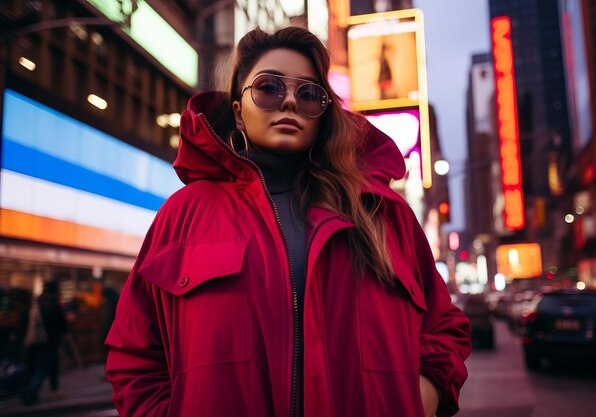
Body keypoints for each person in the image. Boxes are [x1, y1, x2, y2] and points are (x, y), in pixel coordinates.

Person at [105, 25, 471, 417]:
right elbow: (134, 355)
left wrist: (424, 394)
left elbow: (444, 325)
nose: (291, 102)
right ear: (237, 112)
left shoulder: (382, 213)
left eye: (309, 93)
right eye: (269, 87)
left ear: (324, 114)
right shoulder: (182, 215)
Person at [21, 281, 68, 404]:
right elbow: (62, 324)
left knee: (34, 367)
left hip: (32, 340)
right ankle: (30, 393)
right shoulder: (54, 303)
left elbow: (24, 320)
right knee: (42, 368)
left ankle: (47, 390)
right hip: (49, 341)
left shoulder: (36, 302)